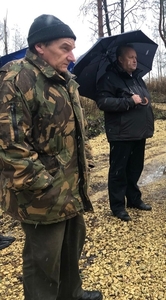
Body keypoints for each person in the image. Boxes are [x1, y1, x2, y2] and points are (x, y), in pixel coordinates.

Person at [0, 14, 102, 300]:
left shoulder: (65, 80)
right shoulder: (17, 79)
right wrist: (46, 186)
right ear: (40, 47)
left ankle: (72, 293)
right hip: (41, 197)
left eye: (72, 48)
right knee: (43, 261)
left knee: (72, 247)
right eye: (65, 47)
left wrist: (85, 162)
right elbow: (10, 147)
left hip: (71, 186)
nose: (72, 55)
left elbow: (74, 130)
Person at [96, 44, 154, 222]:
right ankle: (118, 206)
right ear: (120, 59)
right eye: (130, 57)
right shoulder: (109, 78)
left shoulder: (137, 78)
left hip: (138, 132)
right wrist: (128, 102)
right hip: (121, 134)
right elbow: (103, 102)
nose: (135, 60)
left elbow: (141, 98)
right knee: (118, 171)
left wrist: (142, 100)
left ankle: (134, 199)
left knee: (135, 168)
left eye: (135, 57)